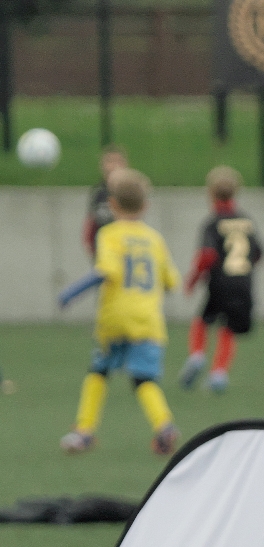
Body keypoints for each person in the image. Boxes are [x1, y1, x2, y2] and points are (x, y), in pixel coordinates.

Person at [57, 167, 180, 456]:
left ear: (112, 204)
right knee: (144, 380)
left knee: (98, 372)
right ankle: (164, 426)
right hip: (147, 320)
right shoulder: (155, 239)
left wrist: (72, 292)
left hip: (114, 318)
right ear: (145, 206)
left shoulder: (109, 234)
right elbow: (171, 281)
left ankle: (84, 431)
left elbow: (106, 271)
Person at [179, 165, 263, 393]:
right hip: (243, 281)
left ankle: (197, 355)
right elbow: (258, 253)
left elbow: (207, 255)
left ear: (211, 193)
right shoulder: (247, 221)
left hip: (219, 281)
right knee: (229, 327)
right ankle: (219, 373)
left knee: (203, 320)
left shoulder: (213, 222)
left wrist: (193, 280)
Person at [83, 144, 127, 256]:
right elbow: (91, 223)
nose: (114, 166)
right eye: (110, 161)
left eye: (118, 161)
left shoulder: (129, 191)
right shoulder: (98, 192)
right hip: (103, 251)